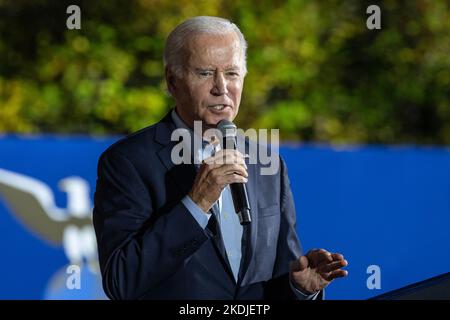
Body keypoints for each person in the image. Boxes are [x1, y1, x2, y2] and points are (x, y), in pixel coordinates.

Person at [93, 16, 348, 300]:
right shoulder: (128, 162)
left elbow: (270, 286)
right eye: (204, 73)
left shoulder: (268, 163)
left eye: (232, 73)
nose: (221, 88)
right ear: (172, 81)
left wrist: (300, 288)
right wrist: (196, 203)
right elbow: (121, 281)